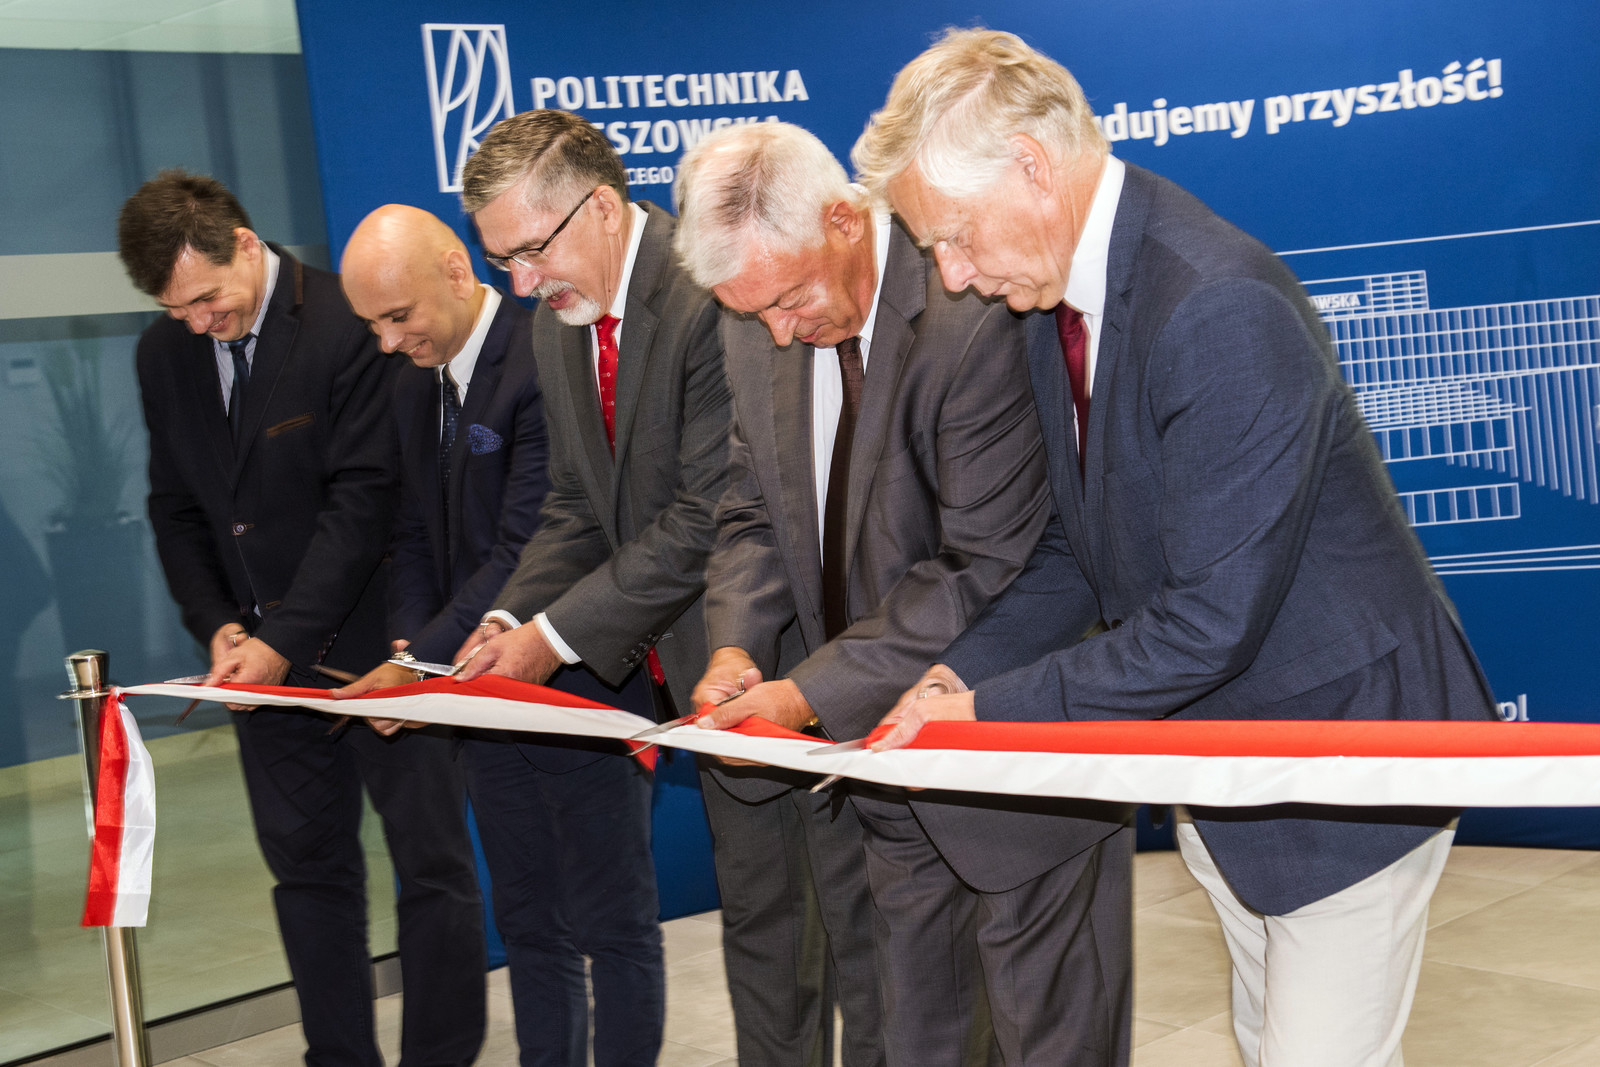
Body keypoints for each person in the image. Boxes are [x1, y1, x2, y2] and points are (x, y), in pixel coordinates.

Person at [854, 29, 1500, 1067]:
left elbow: (1209, 620)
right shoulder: (1057, 296)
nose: (955, 274)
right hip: (1227, 752)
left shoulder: (1214, 303)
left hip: (1345, 757)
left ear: (1032, 164)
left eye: (957, 236)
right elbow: (1074, 548)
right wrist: (957, 673)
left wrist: (988, 714)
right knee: (1262, 1035)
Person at [675, 120, 1134, 1067]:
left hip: (1009, 757)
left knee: (1049, 1040)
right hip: (877, 766)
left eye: (791, 298)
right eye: (751, 312)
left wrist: (807, 692)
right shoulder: (755, 323)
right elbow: (754, 513)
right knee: (916, 1039)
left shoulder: (972, 310)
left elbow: (981, 563)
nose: (778, 333)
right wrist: (737, 646)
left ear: (844, 220)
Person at [120, 171, 485, 1067]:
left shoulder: (344, 320)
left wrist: (284, 641)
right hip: (257, 675)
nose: (197, 322)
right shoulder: (164, 356)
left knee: (431, 865)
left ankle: (440, 1055)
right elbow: (176, 506)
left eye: (207, 297)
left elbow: (364, 501)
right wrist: (219, 624)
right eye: (176, 309)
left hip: (379, 651)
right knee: (308, 875)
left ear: (246, 245)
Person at [333, 203, 662, 1067]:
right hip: (478, 702)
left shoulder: (542, 355)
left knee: (614, 924)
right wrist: (412, 651)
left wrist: (418, 664)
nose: (388, 342)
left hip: (578, 689)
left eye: (397, 316)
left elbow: (529, 547)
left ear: (454, 270)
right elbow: (411, 536)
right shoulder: (412, 383)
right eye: (371, 325)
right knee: (528, 924)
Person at [448, 108, 735, 1065]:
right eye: (502, 262)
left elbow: (702, 516)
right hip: (649, 668)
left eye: (531, 251)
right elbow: (574, 502)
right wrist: (509, 615)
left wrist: (550, 640)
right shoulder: (558, 323)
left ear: (603, 208)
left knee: (781, 930)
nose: (521, 284)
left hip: (746, 661)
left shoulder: (704, 292)